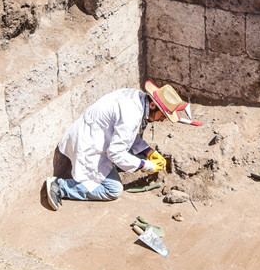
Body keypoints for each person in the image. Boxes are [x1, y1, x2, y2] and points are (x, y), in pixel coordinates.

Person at [45, 81, 197, 210]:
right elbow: (116, 153)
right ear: (152, 105)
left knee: (134, 156)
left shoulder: (137, 98)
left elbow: (129, 136)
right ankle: (61, 186)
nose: (162, 120)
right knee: (113, 190)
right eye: (163, 115)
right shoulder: (132, 116)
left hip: (94, 136)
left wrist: (148, 151)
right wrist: (146, 165)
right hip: (88, 146)